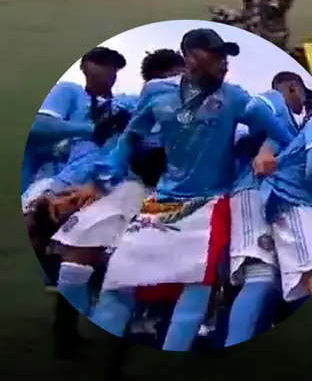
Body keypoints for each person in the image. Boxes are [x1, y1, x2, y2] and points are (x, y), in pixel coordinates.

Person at [65, 28, 297, 352]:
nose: (223, 63)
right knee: (122, 277)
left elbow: (282, 133)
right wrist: (105, 176)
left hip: (210, 202)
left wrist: (267, 150)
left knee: (195, 290)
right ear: (190, 58)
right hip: (164, 198)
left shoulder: (236, 97)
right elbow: (131, 136)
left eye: (225, 55)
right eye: (214, 55)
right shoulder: (157, 93)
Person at [20, 45, 127, 359]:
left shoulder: (117, 105)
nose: (109, 72)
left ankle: (69, 334)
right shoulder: (69, 93)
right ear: (85, 66)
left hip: (96, 188)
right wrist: (91, 128)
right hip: (54, 185)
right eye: (102, 65)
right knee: (68, 257)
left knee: (82, 260)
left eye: (114, 67)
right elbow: (38, 127)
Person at [225, 72, 312, 346]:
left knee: (286, 270)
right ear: (292, 88)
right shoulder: (273, 100)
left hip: (274, 195)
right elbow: (256, 112)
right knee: (260, 273)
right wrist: (266, 149)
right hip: (254, 192)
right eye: (302, 96)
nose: (303, 104)